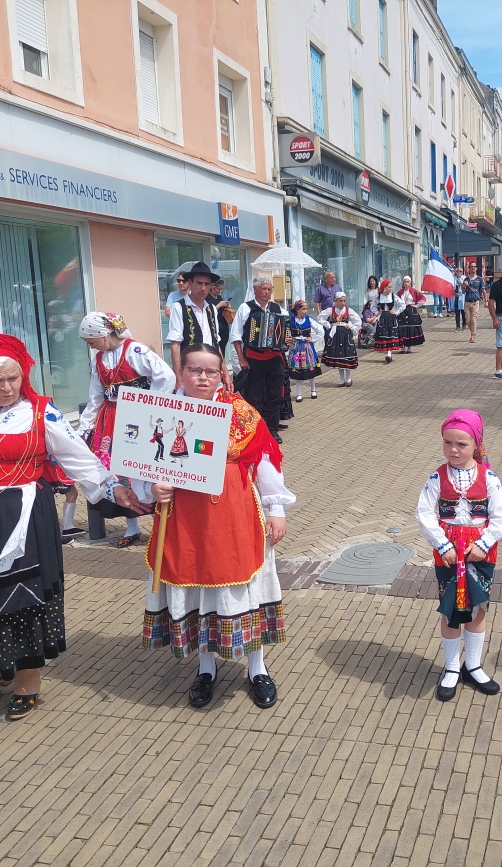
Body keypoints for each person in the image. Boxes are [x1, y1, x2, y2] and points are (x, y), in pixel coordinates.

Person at [0, 334, 145, 720]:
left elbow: (78, 457)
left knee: (21, 600)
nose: (8, 387)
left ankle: (27, 679)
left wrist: (112, 488)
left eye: (14, 378)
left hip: (19, 515)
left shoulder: (40, 412)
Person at [141, 343, 295, 710]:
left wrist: (276, 508)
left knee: (245, 586)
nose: (203, 377)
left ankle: (257, 668)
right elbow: (145, 464)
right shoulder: (162, 413)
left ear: (222, 373)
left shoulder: (240, 412)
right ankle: (206, 669)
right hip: (184, 516)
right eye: (195, 370)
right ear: (181, 373)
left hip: (235, 512)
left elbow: (264, 460)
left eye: (211, 371)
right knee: (196, 586)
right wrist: (152, 488)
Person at [415, 410, 502, 702]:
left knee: (478, 607)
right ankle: (452, 667)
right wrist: (442, 544)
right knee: (450, 609)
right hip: (447, 552)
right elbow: (424, 513)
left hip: (480, 553)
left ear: (476, 445)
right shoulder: (437, 477)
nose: (453, 450)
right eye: (448, 443)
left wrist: (484, 543)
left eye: (461, 444)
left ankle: (473, 665)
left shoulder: (489, 478)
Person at [79, 311, 174, 547]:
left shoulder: (135, 351)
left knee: (142, 468)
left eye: (92, 341)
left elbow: (166, 377)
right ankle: (132, 527)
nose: (91, 347)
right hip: (110, 421)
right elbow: (95, 396)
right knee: (117, 472)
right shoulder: (98, 360)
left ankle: (160, 525)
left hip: (136, 417)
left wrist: (147, 405)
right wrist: (84, 427)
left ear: (103, 334)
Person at [230, 276, 291, 442]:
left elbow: (286, 331)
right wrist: (241, 359)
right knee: (254, 397)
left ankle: (272, 430)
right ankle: (254, 431)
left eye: (270, 289)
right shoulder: (246, 308)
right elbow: (236, 336)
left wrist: (288, 339)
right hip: (254, 359)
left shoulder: (278, 309)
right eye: (264, 289)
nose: (267, 292)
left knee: (274, 395)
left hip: (274, 359)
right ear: (255, 290)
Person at [168, 262, 223, 379]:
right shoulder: (179, 307)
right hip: (191, 372)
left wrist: (225, 373)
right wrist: (178, 377)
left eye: (206, 284)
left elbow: (216, 343)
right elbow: (175, 344)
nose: (203, 288)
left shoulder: (212, 309)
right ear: (190, 283)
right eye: (199, 283)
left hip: (211, 371)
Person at [319, 290, 361, 385]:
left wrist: (352, 327)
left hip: (346, 334)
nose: (343, 303)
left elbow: (358, 320)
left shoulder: (348, 310)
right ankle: (342, 379)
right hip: (336, 335)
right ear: (336, 301)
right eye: (340, 301)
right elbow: (320, 317)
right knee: (339, 357)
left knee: (346, 355)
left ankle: (349, 378)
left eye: (344, 301)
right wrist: (328, 325)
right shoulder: (331, 310)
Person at [287, 299, 323, 401]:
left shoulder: (309, 319)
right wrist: (289, 339)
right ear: (297, 310)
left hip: (307, 347)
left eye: (306, 309)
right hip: (296, 348)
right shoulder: (291, 320)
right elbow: (285, 332)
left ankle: (313, 390)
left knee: (310, 368)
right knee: (297, 370)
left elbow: (321, 330)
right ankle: (299, 394)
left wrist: (313, 339)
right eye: (303, 309)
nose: (306, 311)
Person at [396, 276, 426, 352]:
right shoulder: (400, 292)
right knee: (402, 328)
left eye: (407, 281)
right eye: (405, 282)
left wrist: (416, 305)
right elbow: (396, 301)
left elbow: (423, 298)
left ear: (410, 283)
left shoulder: (414, 291)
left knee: (410, 328)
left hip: (411, 311)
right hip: (402, 311)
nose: (406, 283)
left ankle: (409, 347)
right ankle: (403, 347)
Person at [207, 277, 234, 352]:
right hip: (215, 326)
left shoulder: (219, 297)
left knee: (223, 348)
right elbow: (208, 312)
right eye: (218, 289)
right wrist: (220, 305)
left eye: (221, 289)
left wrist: (227, 306)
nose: (220, 291)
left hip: (224, 326)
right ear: (212, 287)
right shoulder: (207, 297)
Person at [464, 261, 485, 343]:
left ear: (476, 268)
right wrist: (464, 285)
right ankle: (472, 331)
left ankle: (473, 335)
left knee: (473, 320)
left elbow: (483, 290)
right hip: (467, 302)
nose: (473, 268)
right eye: (471, 266)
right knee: (468, 321)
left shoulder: (479, 279)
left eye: (474, 266)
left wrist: (486, 301)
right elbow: (463, 291)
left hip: (475, 302)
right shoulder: (466, 279)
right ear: (469, 268)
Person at [450, 266, 466, 331]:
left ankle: (464, 324)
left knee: (463, 312)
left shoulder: (464, 278)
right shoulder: (453, 278)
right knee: (457, 313)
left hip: (463, 298)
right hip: (456, 297)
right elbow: (450, 288)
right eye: (457, 271)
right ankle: (458, 326)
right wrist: (454, 293)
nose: (459, 272)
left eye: (460, 271)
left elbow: (467, 287)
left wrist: (461, 284)